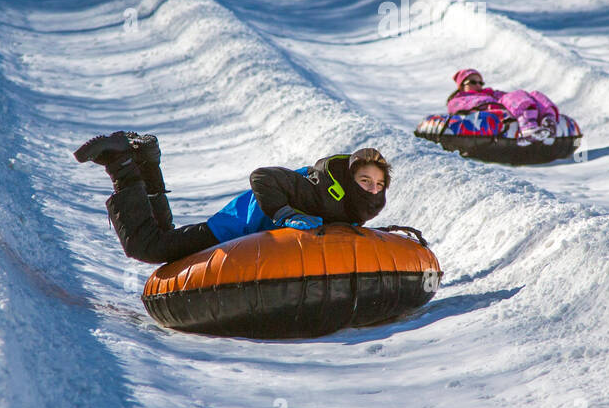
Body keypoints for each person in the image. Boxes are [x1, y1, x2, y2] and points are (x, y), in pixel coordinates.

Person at [75, 132, 391, 264]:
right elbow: (262, 177)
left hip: (241, 229)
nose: (372, 190)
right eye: (365, 181)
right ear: (350, 180)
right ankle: (121, 164)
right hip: (234, 227)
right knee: (148, 247)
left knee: (166, 235)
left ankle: (145, 159)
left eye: (378, 185)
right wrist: (283, 213)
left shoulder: (349, 206)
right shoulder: (321, 190)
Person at [445, 69, 562, 144]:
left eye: (480, 83)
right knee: (515, 95)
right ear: (461, 86)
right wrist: (487, 100)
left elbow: (508, 96)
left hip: (503, 106)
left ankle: (548, 120)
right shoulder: (459, 98)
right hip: (491, 110)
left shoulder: (490, 93)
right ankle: (528, 127)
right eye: (473, 82)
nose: (478, 85)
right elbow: (458, 108)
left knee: (535, 94)